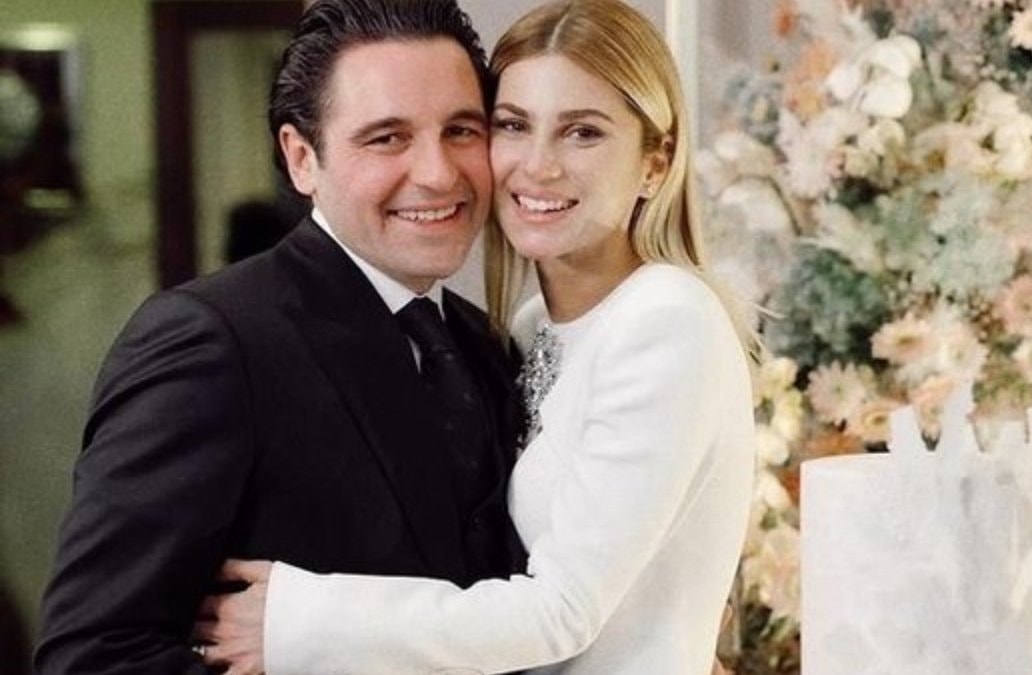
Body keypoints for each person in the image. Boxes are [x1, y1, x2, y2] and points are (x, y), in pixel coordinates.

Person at [196, 1, 758, 673]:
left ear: (655, 163)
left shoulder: (668, 319)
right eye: (513, 125)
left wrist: (296, 619)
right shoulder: (527, 326)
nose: (538, 166)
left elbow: (561, 610)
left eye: (582, 132)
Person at [34, 1, 525, 672]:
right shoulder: (210, 342)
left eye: (461, 130)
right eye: (387, 138)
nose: (439, 172)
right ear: (300, 159)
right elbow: (92, 656)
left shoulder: (484, 345)